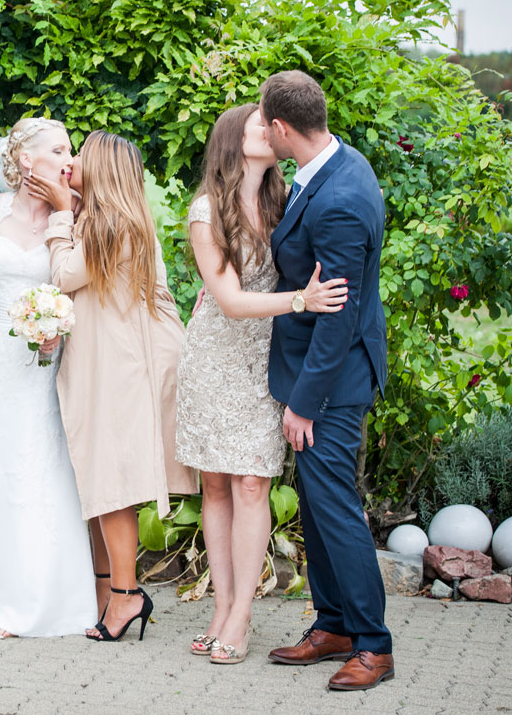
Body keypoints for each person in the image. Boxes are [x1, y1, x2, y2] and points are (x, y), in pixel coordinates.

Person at [174, 103, 348, 663]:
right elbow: (227, 300)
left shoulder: (285, 199)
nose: (271, 131)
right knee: (217, 485)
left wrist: (302, 299)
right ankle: (222, 608)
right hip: (216, 357)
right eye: (259, 125)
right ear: (235, 140)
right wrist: (300, 301)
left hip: (266, 359)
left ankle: (242, 616)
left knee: (252, 484)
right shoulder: (207, 210)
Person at [27, 130, 197, 643]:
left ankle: (125, 596)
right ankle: (114, 592)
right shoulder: (112, 220)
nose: (70, 161)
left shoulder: (112, 225)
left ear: (101, 171)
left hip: (125, 366)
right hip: (120, 358)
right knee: (108, 479)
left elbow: (62, 275)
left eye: (80, 155)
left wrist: (59, 211)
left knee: (112, 481)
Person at [258, 71, 391, 691]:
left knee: (336, 510)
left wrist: (305, 404)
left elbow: (335, 319)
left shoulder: (338, 198)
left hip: (332, 382)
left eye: (265, 124)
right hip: (321, 375)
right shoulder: (341, 163)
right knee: (315, 507)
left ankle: (373, 644)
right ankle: (333, 623)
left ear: (283, 128)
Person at [0, 118, 96, 638]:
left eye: (70, 151)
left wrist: (59, 327)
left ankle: (32, 599)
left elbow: (78, 286)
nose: (68, 160)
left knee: (34, 466)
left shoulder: (74, 217)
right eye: (58, 151)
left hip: (39, 364)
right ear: (27, 160)